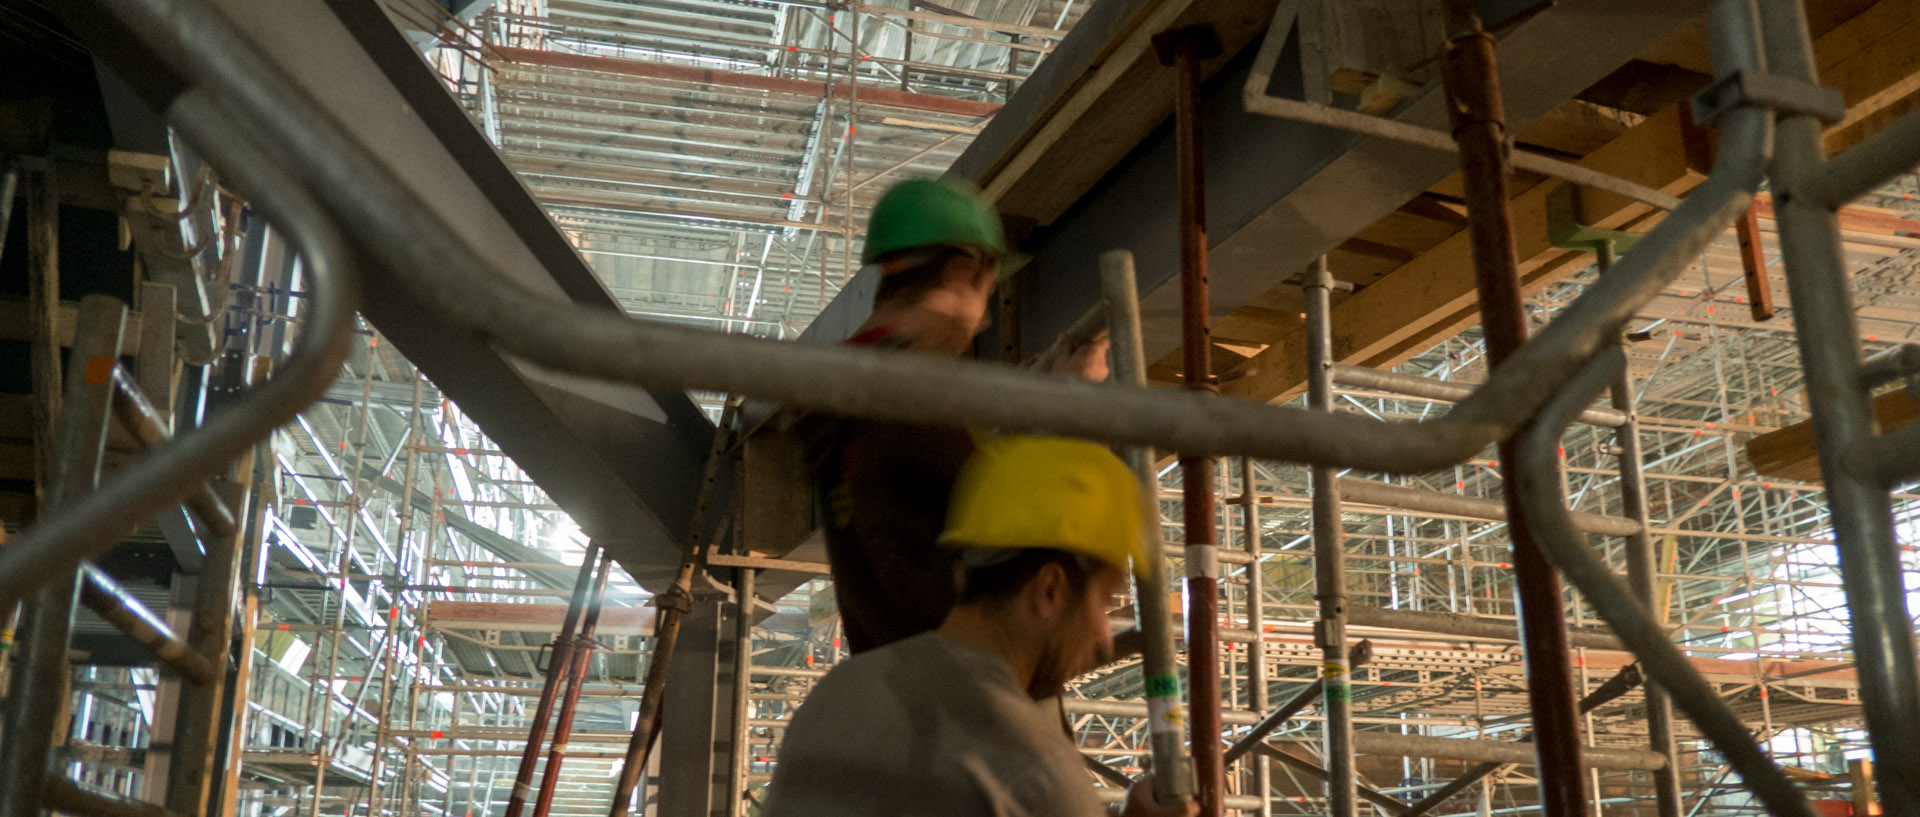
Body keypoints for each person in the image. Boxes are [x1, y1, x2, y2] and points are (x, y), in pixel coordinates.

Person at [764, 436, 1195, 817]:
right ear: (1049, 590)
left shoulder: (839, 693)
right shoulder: (1030, 769)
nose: (1104, 637)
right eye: (1103, 601)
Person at [804, 177, 1108, 654]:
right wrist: (1077, 411)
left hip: (903, 680)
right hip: (969, 684)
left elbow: (932, 509)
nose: (984, 321)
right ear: (960, 274)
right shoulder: (912, 396)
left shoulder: (840, 398)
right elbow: (1020, 543)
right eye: (986, 293)